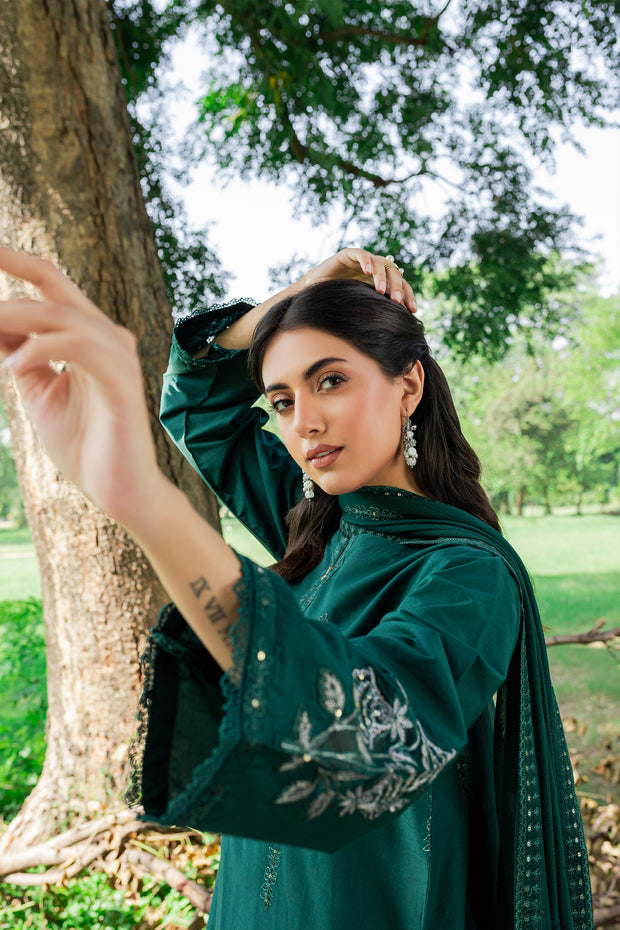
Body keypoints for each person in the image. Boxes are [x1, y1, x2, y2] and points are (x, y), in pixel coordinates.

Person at [0, 247, 592, 929]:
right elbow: (196, 397)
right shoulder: (315, 524)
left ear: (409, 387)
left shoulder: (470, 575)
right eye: (282, 400)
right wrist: (300, 295)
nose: (303, 422)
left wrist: (142, 497)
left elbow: (365, 733)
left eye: (331, 380)